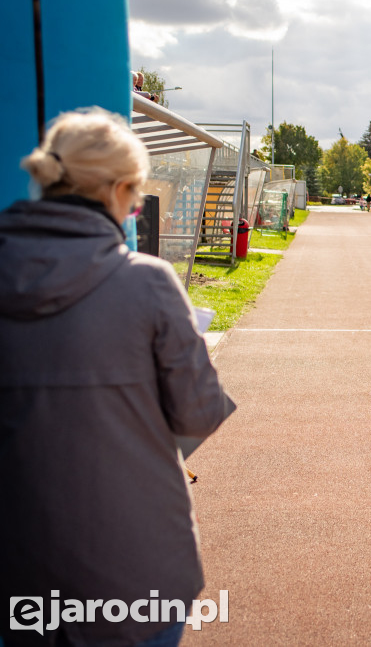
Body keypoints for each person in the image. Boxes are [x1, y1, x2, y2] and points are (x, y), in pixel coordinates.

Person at [0, 108, 236, 646]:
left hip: (21, 564)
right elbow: (199, 411)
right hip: (136, 565)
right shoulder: (148, 283)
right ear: (123, 190)